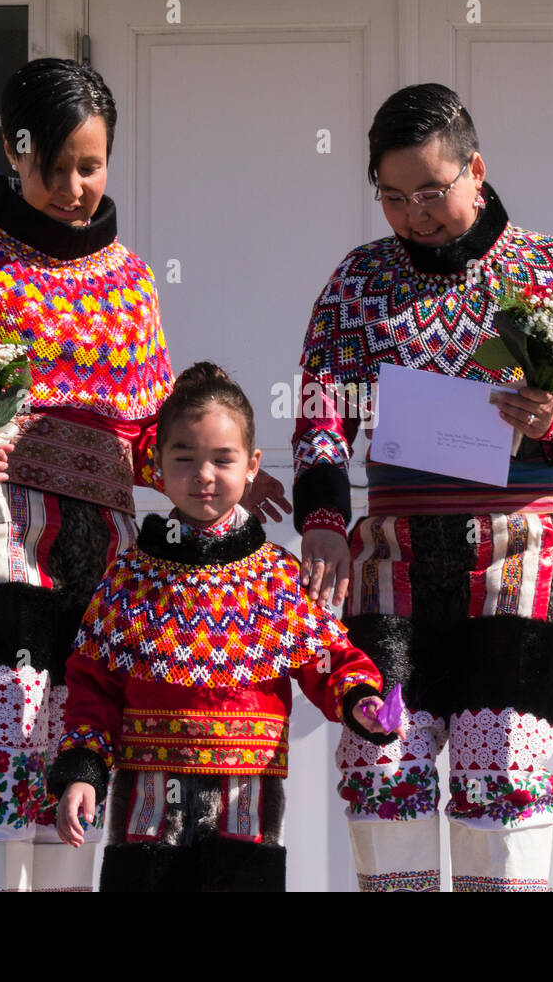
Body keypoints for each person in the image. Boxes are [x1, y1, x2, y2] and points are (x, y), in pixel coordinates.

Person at [0, 58, 285, 891]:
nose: (74, 186)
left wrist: (214, 478)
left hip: (105, 555)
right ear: (13, 154)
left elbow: (148, 424)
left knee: (78, 751)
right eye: (55, 167)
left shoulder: (129, 280)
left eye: (90, 165)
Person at [292, 83, 553, 892]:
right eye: (391, 196)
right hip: (393, 555)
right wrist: (319, 519)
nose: (414, 214)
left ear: (476, 170)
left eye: (430, 191)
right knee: (383, 761)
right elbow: (320, 416)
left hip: (518, 549)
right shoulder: (357, 283)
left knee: (502, 772)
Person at [49, 362, 394, 892]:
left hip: (246, 799)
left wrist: (360, 697)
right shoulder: (130, 576)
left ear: (252, 465)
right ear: (158, 467)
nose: (203, 475)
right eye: (184, 459)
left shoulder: (277, 575)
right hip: (147, 798)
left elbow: (326, 656)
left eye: (221, 459)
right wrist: (82, 771)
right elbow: (92, 683)